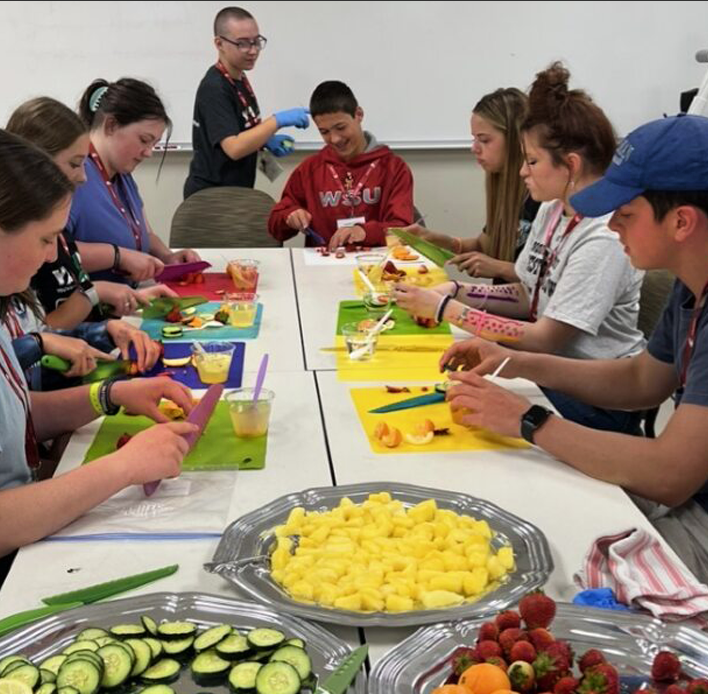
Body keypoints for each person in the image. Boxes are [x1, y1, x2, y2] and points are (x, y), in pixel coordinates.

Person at [441, 114, 708, 611]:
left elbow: (670, 473)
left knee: (539, 589)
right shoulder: (697, 281)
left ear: (682, 221)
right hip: (697, 498)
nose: (613, 223)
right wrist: (515, 363)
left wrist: (528, 420)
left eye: (626, 212)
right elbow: (644, 379)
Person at [0, 128, 198, 655]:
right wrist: (125, 466)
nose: (51, 259)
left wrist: (108, 396)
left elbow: (13, 417)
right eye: (45, 239)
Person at [394, 63, 645, 434]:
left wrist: (448, 308)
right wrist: (459, 290)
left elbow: (545, 337)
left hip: (595, 399)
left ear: (571, 165)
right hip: (547, 372)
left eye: (531, 161)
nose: (522, 172)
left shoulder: (603, 237)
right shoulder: (553, 207)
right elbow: (528, 295)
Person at [6, 98, 177, 326]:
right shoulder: (17, 237)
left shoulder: (119, 180)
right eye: (76, 164)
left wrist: (121, 301)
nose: (84, 177)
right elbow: (39, 334)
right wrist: (96, 290)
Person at [68, 78, 202, 287]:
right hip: (87, 310)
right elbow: (52, 253)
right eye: (144, 140)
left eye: (154, 144)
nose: (148, 153)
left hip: (126, 300)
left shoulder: (122, 174)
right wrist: (118, 256)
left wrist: (167, 257)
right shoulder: (73, 174)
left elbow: (144, 233)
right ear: (111, 125)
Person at [403, 88, 539, 283]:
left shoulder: (543, 199)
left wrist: (499, 268)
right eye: (474, 138)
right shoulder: (506, 192)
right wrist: (439, 241)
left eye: (484, 140)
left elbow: (543, 281)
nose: (474, 148)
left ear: (516, 140)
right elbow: (484, 246)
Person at [268, 80, 414, 251]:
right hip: (323, 265)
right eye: (324, 132)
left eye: (341, 127)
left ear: (358, 115)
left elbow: (404, 232)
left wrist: (365, 232)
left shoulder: (393, 168)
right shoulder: (310, 169)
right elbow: (275, 228)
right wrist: (289, 216)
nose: (335, 139)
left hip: (377, 267)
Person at [183, 6, 310, 198]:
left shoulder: (239, 78)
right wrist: (276, 121)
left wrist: (264, 140)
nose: (253, 51)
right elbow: (234, 148)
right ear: (219, 43)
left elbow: (240, 129)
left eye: (256, 41)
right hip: (211, 197)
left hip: (236, 190)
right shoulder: (215, 87)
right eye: (242, 44)